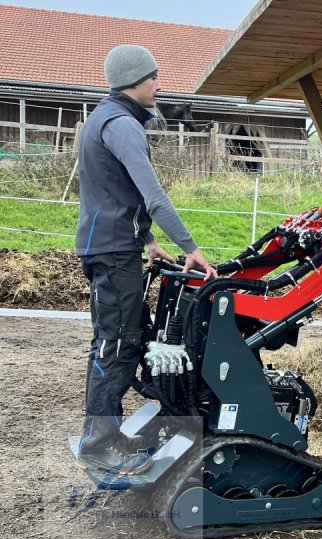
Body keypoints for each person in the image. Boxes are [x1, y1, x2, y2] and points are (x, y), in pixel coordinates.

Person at [74, 45, 217, 475]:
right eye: (153, 77)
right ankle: (99, 442)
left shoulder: (103, 118)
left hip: (112, 245)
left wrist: (149, 240)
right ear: (135, 80)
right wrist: (190, 246)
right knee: (118, 343)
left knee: (119, 336)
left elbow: (115, 191)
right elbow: (152, 195)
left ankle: (106, 432)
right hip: (114, 251)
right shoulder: (122, 125)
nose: (158, 84)